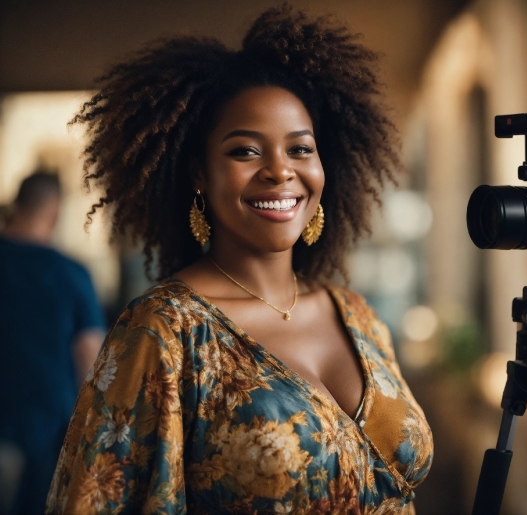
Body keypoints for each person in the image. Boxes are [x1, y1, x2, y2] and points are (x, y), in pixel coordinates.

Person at [46, 5, 433, 514]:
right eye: (246, 151)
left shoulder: (357, 314)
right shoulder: (165, 331)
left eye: (300, 149)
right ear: (199, 174)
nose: (279, 171)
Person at [0, 170, 106, 514]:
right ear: (55, 212)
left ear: (17, 204)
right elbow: (90, 360)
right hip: (48, 430)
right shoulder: (71, 274)